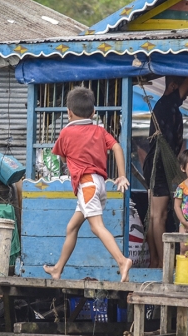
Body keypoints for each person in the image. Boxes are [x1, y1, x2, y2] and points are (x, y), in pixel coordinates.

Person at [42, 86, 133, 282]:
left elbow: (63, 159)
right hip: (99, 184)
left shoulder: (66, 133)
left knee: (96, 227)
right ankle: (58, 269)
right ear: (93, 113)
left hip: (87, 185)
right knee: (72, 228)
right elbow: (116, 147)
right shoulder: (99, 130)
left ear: (68, 112)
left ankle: (122, 260)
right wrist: (122, 175)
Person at [142, 75, 188, 267]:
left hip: (157, 165)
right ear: (174, 86)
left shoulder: (164, 105)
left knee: (156, 215)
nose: (187, 94)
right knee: (159, 216)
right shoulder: (167, 102)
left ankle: (156, 260)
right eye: (184, 91)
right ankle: (163, 262)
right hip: (158, 165)